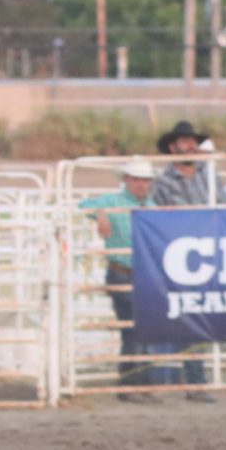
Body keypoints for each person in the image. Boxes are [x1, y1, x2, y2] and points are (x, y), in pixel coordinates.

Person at [79, 157, 163, 403]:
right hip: (122, 272)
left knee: (139, 329)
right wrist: (101, 213)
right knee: (134, 328)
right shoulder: (113, 202)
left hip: (144, 275)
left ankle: (139, 383)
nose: (140, 184)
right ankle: (133, 384)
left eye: (144, 180)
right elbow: (82, 205)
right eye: (136, 179)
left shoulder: (152, 207)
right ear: (126, 181)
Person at [150, 120, 217, 402]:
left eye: (192, 141)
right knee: (180, 318)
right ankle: (180, 380)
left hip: (206, 254)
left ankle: (192, 380)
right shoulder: (163, 183)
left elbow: (223, 208)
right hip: (177, 255)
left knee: (196, 320)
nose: (190, 145)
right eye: (184, 141)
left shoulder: (209, 176)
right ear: (173, 146)